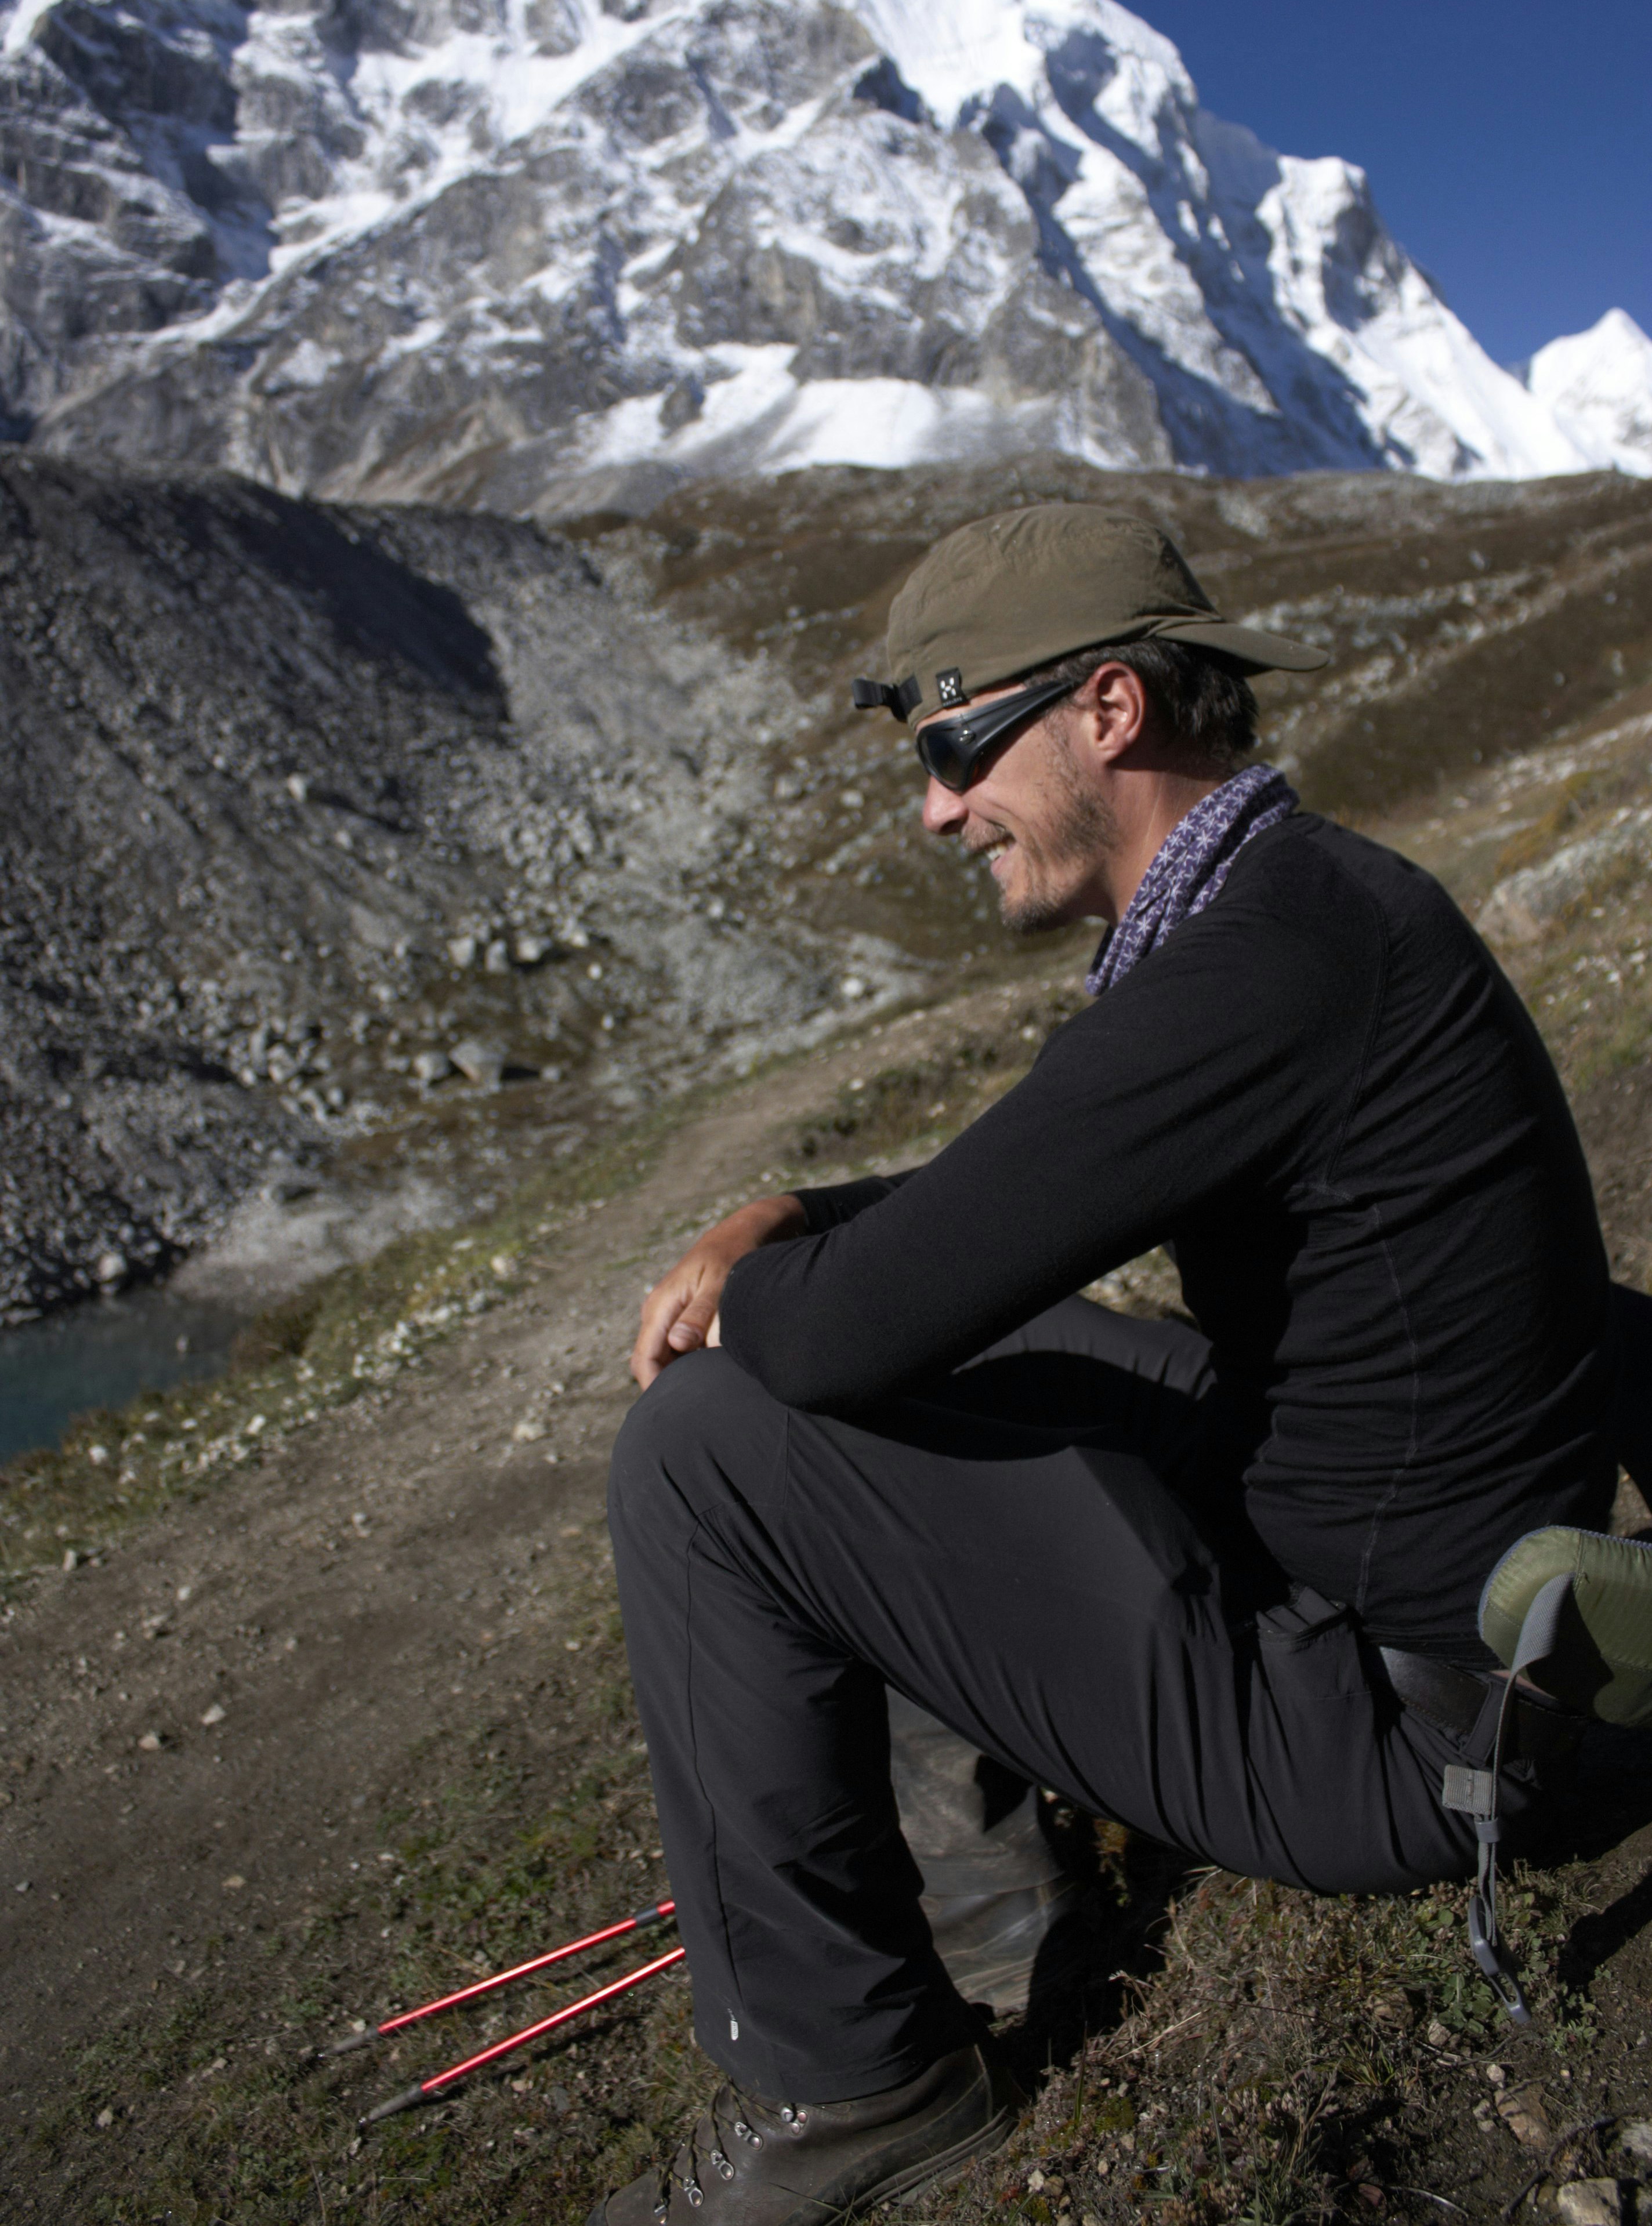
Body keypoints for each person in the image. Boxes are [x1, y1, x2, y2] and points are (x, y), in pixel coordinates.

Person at [586, 506, 1632, 2224]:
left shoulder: (1262, 965)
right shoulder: (1297, 903)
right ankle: (1000, 1894)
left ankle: (857, 2085)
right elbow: (1017, 1197)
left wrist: (765, 1286)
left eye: (952, 749)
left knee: (705, 1448)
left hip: (1398, 1730)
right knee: (957, 1330)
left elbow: (858, 1323)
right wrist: (796, 1211)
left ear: (1109, 714)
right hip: (1449, 1627)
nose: (936, 808)